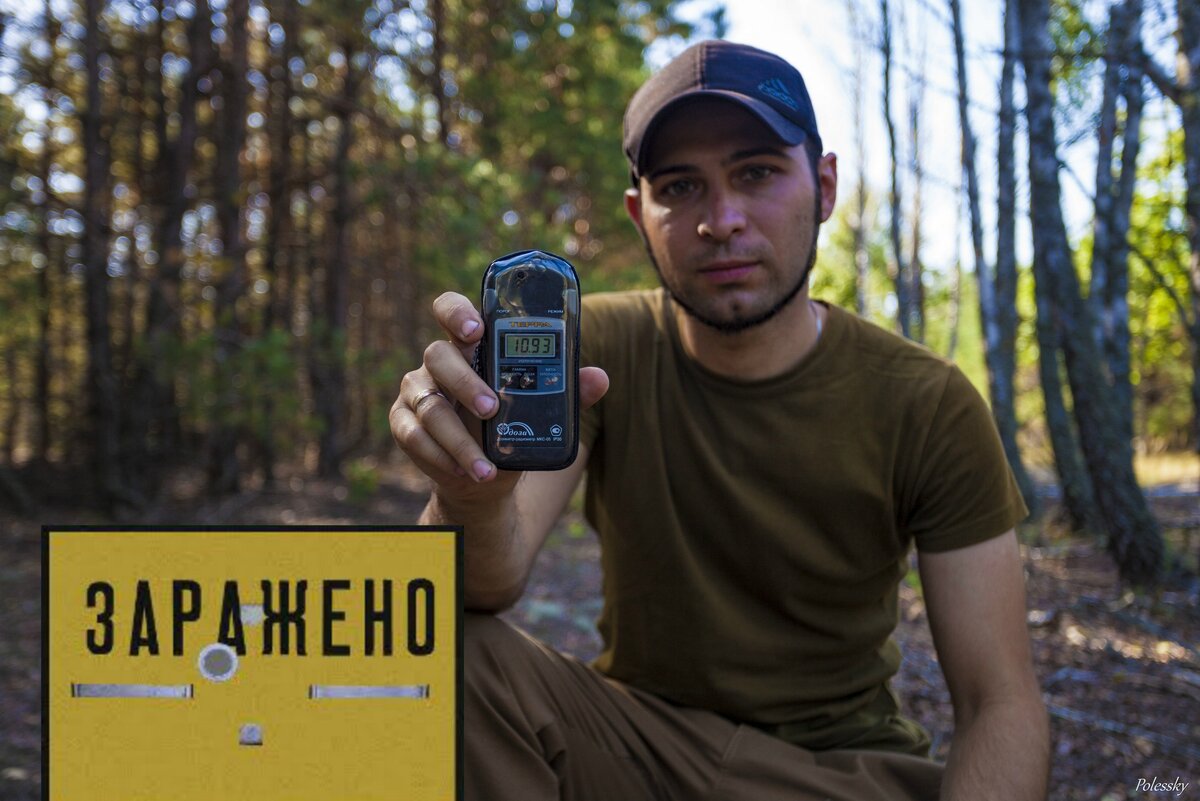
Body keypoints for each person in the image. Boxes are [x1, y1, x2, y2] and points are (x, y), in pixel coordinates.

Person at [391, 40, 1049, 801]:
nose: (722, 220)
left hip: (836, 776)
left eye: (757, 172)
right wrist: (469, 492)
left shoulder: (926, 401)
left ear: (825, 185)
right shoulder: (595, 350)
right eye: (680, 187)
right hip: (636, 749)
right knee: (444, 651)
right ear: (641, 215)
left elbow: (999, 700)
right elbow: (487, 585)